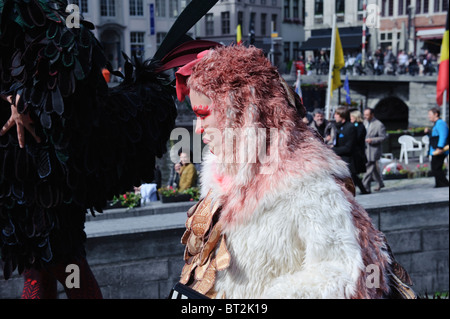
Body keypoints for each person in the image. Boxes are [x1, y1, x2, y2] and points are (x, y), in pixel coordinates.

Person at [0, 0, 218, 299]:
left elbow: (71, 82)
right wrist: (13, 98)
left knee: (60, 262)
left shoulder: (65, 30)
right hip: (28, 171)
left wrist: (21, 99)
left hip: (49, 170)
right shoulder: (40, 22)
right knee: (45, 263)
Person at [171, 45, 415, 299]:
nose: (197, 129)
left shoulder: (310, 184)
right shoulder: (221, 173)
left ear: (242, 112)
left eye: (202, 114)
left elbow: (350, 276)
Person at [332, 107, 369, 195]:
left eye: (337, 114)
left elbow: (348, 147)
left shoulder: (350, 127)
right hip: (342, 158)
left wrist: (332, 149)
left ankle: (358, 193)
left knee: (351, 178)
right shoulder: (340, 127)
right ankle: (362, 190)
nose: (335, 116)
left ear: (342, 116)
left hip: (349, 159)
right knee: (352, 178)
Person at [362, 108, 387, 192]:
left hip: (373, 149)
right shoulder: (364, 122)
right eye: (364, 115)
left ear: (372, 115)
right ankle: (380, 183)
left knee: (369, 168)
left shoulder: (379, 124)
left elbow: (383, 137)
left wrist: (372, 140)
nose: (365, 116)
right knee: (373, 169)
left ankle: (364, 185)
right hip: (366, 149)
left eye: (367, 115)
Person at [426, 108, 449, 188]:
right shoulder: (436, 124)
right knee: (435, 167)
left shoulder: (440, 123)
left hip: (439, 150)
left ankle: (444, 183)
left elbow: (443, 135)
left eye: (430, 114)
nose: (429, 116)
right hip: (435, 149)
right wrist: (428, 132)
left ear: (436, 114)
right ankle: (439, 183)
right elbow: (434, 136)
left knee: (436, 167)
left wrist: (440, 147)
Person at [350, 110, 369, 194]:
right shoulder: (354, 125)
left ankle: (361, 189)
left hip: (357, 152)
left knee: (353, 173)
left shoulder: (360, 126)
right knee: (352, 173)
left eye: (352, 117)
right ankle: (362, 189)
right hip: (354, 152)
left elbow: (357, 139)